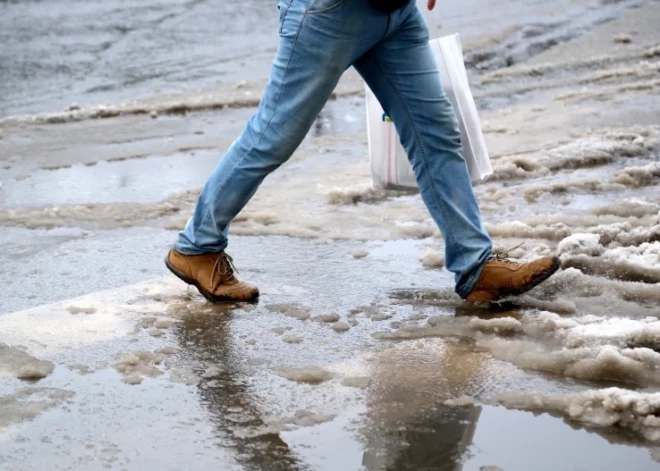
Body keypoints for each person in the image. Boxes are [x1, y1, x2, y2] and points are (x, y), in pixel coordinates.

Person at [165, 0, 560, 304]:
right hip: (329, 16)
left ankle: (476, 266)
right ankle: (197, 246)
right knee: (273, 136)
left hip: (394, 11)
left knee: (435, 131)